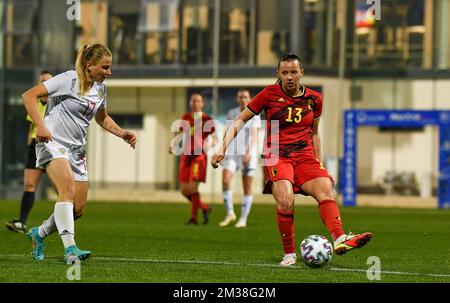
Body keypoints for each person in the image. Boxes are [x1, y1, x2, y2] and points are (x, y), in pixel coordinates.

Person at [211, 53, 372, 267]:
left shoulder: (315, 99)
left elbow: (314, 134)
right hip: (277, 154)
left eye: (293, 72)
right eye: (284, 72)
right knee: (286, 201)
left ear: (301, 73)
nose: (289, 77)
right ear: (278, 74)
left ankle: (340, 238)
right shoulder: (268, 94)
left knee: (325, 188)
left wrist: (320, 164)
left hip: (305, 155)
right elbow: (240, 120)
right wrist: (222, 147)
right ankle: (289, 254)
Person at [23, 44, 137, 264]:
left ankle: (40, 233)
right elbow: (29, 96)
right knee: (68, 189)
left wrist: (121, 133)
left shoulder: (100, 88)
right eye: (105, 67)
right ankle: (71, 250)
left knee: (77, 209)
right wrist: (40, 126)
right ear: (89, 65)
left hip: (76, 150)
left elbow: (102, 118)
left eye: (110, 67)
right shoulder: (68, 79)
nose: (109, 72)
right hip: (52, 143)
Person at [6, 70, 53, 233]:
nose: (44, 84)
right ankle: (21, 222)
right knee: (29, 184)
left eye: (47, 81)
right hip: (35, 145)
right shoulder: (35, 103)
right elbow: (32, 127)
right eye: (42, 81)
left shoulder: (57, 103)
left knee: (61, 189)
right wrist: (29, 144)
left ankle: (63, 222)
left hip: (52, 145)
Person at [169, 93, 217, 225]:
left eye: (198, 101)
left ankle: (193, 218)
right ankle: (205, 208)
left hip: (198, 157)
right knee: (184, 190)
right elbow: (180, 134)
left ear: (203, 103)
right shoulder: (185, 117)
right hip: (186, 156)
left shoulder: (207, 119)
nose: (195, 103)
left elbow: (214, 136)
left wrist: (213, 142)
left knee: (193, 188)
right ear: (190, 103)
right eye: (193, 100)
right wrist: (173, 144)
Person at [219, 89, 261, 228]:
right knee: (225, 181)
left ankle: (243, 218)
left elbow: (254, 135)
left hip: (247, 154)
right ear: (237, 99)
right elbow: (228, 131)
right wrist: (222, 149)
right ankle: (230, 213)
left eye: (245, 97)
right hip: (232, 152)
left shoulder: (254, 114)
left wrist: (249, 152)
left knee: (246, 186)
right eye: (240, 97)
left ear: (249, 99)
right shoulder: (232, 113)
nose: (243, 99)